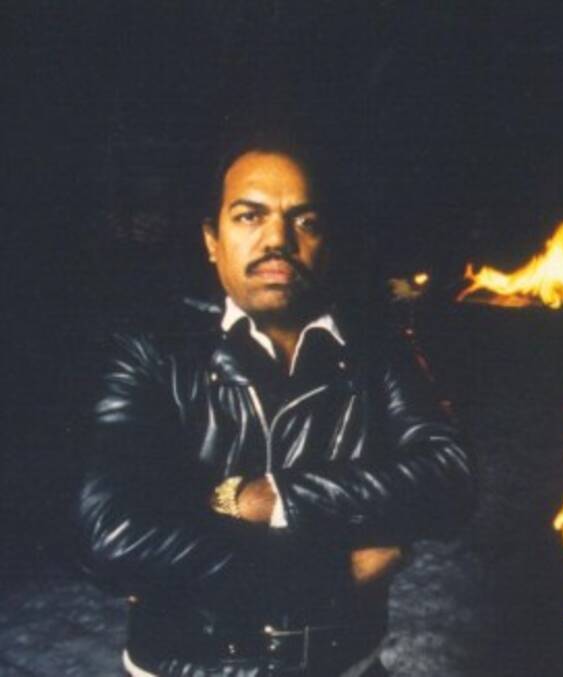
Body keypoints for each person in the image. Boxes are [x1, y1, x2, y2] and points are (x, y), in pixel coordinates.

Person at [76, 132, 476, 676]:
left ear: (326, 241)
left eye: (304, 221)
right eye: (249, 216)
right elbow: (111, 532)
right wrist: (332, 573)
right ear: (212, 240)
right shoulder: (153, 351)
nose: (278, 239)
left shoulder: (377, 348)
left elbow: (449, 478)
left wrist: (272, 497)